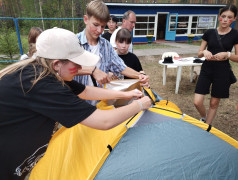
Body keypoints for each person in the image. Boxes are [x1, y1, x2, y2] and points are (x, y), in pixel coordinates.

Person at [0, 27, 152, 180]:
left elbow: (86, 91)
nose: (81, 69)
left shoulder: (44, 72)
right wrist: (139, 105)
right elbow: (104, 121)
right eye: (77, 63)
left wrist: (126, 94)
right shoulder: (42, 84)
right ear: (57, 64)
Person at [74, 0, 149, 105]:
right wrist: (92, 70)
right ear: (86, 19)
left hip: (101, 103)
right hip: (78, 104)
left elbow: (121, 67)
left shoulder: (106, 46)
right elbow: (61, 71)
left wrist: (139, 76)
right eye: (95, 25)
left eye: (103, 26)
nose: (100, 30)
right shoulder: (74, 43)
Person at [194, 4, 238, 125]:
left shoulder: (235, 35)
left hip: (222, 71)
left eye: (229, 17)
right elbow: (198, 54)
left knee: (214, 103)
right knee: (197, 102)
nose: (225, 19)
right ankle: (204, 117)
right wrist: (204, 51)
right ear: (219, 17)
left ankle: (207, 126)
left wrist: (227, 54)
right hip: (206, 69)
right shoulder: (209, 33)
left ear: (234, 19)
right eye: (223, 16)